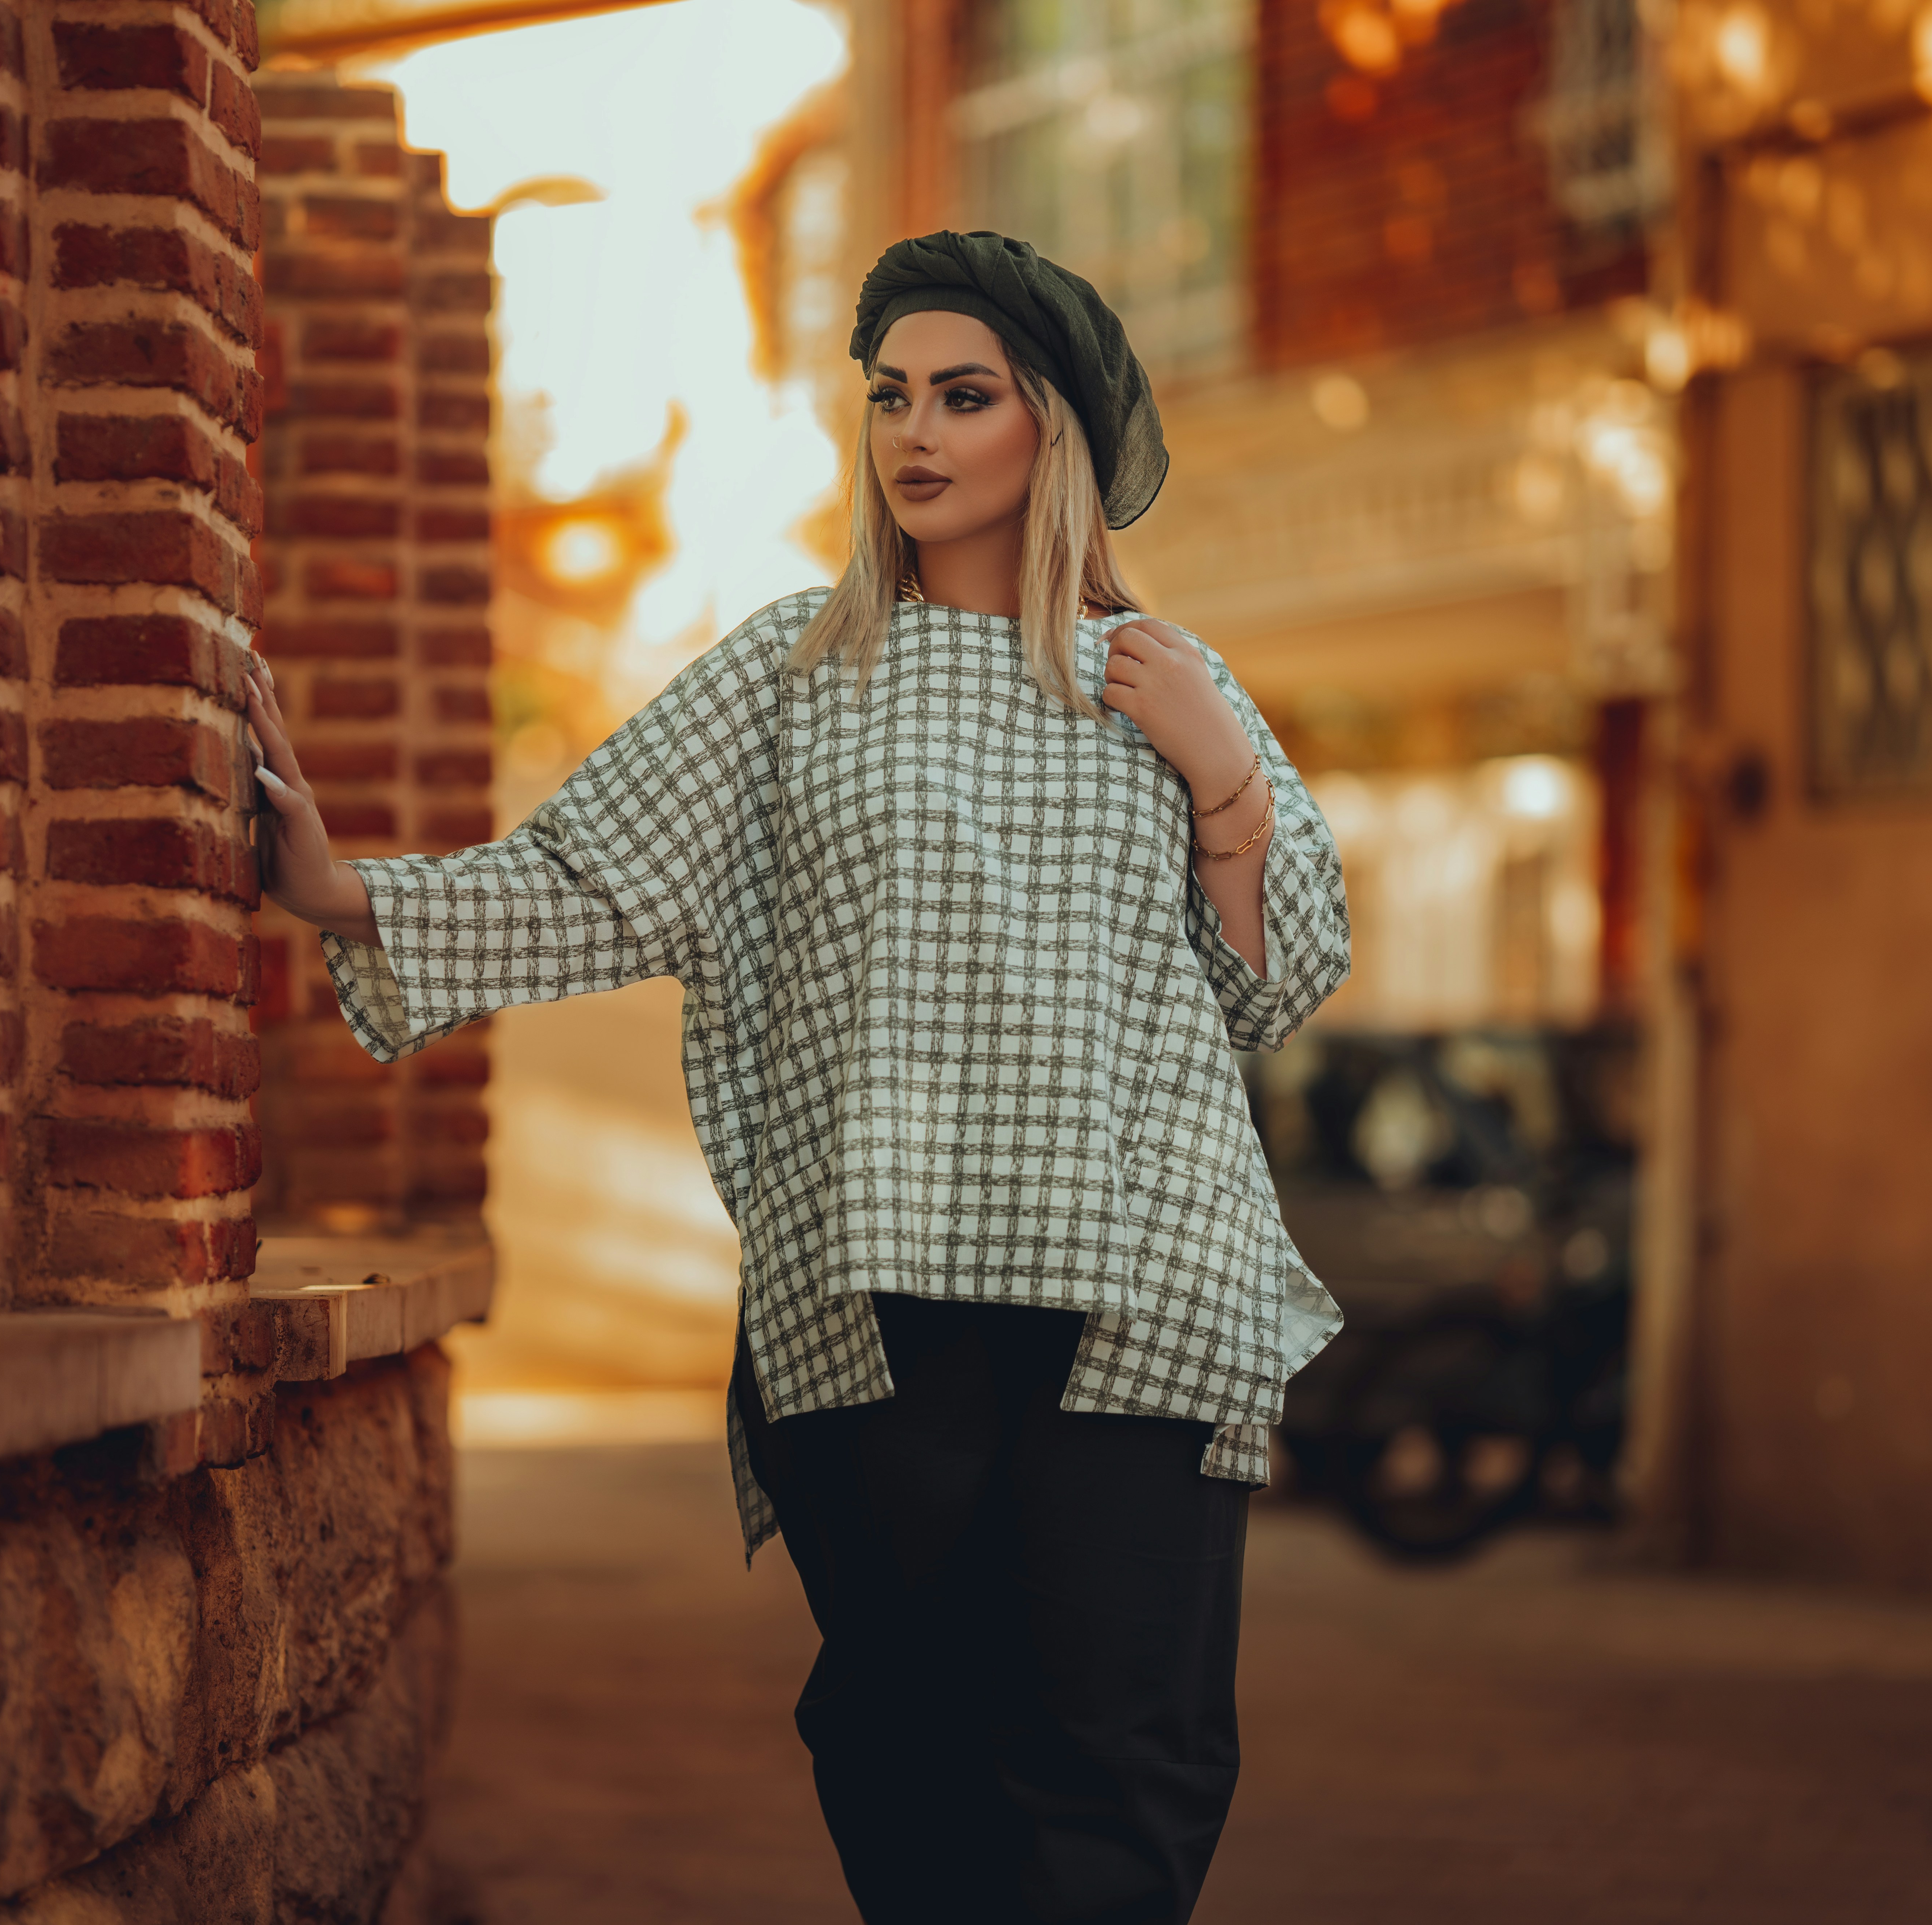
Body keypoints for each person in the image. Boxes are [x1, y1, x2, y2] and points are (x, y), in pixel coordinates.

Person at [247, 229, 1350, 1925]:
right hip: (875, 1286)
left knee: (1125, 1749)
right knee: (901, 1730)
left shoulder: (1166, 682)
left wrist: (1221, 781)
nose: (914, 434)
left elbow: (1279, 981)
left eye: (962, 397)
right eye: (890, 397)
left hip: (1145, 1293)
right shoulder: (796, 670)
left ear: (1050, 426)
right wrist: (342, 892)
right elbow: (595, 881)